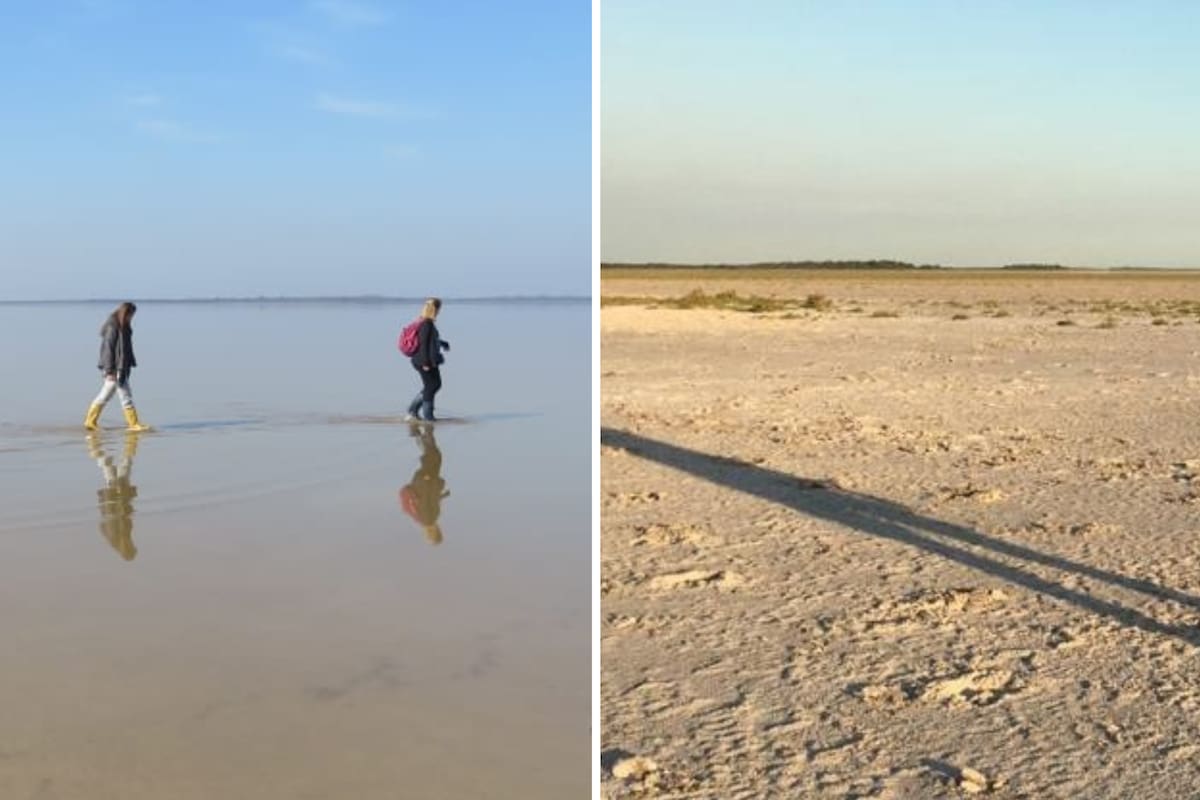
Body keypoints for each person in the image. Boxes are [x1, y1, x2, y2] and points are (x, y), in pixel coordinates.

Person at [83, 302, 151, 431]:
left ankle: (91, 421)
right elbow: (107, 349)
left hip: (121, 368)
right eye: (131, 315)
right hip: (114, 368)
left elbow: (125, 349)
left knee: (112, 394)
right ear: (126, 313)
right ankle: (133, 424)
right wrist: (109, 370)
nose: (132, 318)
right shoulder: (113, 326)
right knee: (120, 395)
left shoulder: (123, 326)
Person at [87, 431, 141, 561]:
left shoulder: (115, 536)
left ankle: (93, 442)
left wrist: (118, 497)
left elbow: (114, 514)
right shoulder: (119, 537)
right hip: (119, 495)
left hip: (115, 494)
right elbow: (123, 515)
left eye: (132, 547)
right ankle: (96, 442)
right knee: (115, 466)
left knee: (110, 465)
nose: (133, 544)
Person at [398, 423, 449, 545]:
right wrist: (443, 495)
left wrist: (428, 481)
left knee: (433, 455)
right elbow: (432, 500)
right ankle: (421, 433)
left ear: (436, 532)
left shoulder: (428, 518)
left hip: (426, 480)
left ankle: (420, 432)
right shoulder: (424, 520)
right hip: (424, 481)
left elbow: (427, 499)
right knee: (433, 455)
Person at [404, 297, 450, 422]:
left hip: (428, 360)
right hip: (424, 361)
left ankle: (412, 411)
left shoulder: (426, 323)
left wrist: (442, 343)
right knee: (432, 386)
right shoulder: (426, 324)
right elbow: (423, 344)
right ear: (434, 309)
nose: (440, 311)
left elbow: (430, 340)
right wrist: (425, 363)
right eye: (439, 308)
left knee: (433, 385)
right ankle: (428, 418)